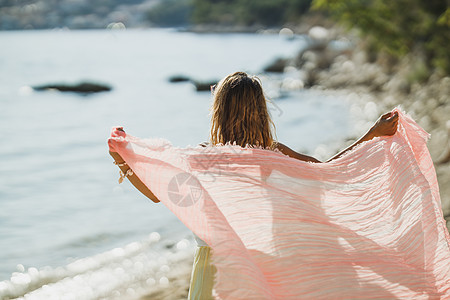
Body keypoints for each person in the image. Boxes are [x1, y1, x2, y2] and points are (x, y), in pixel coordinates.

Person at [109, 71, 399, 299]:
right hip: (262, 263)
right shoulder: (273, 154)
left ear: (217, 111)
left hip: (216, 267)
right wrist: (372, 134)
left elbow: (158, 195)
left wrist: (122, 159)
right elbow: (327, 172)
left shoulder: (202, 157)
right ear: (261, 110)